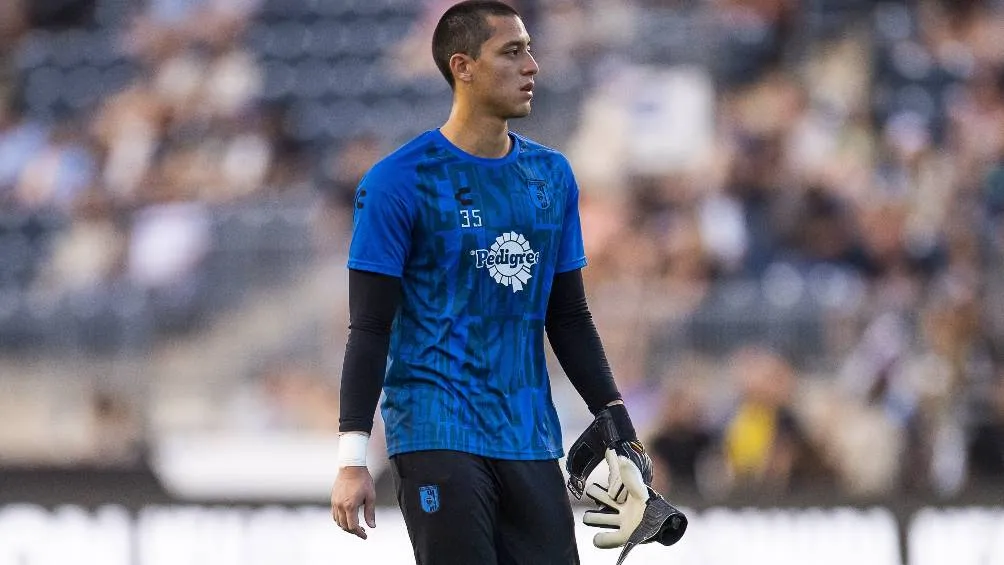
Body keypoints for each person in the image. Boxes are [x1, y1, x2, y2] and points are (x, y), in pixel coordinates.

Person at [329, 2, 653, 563]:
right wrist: (352, 458)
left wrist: (615, 417)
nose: (532, 65)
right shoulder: (396, 182)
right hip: (436, 429)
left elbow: (568, 315)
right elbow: (370, 327)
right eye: (511, 52)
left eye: (529, 49)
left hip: (529, 434)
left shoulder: (552, 176)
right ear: (464, 66)